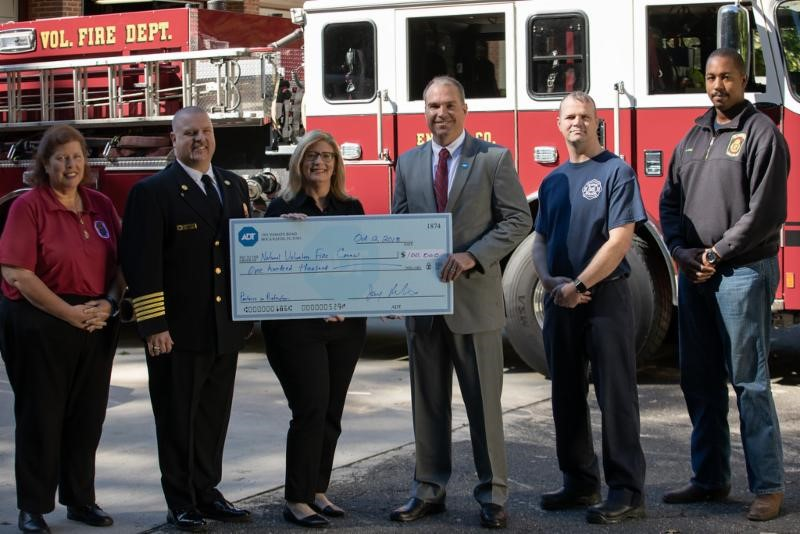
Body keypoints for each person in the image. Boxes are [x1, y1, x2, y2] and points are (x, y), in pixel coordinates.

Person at [389, 76, 531, 529]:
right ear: (424, 112)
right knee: (427, 405)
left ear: (465, 109)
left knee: (485, 408)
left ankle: (493, 495)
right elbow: (399, 228)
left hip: (475, 305)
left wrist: (474, 256)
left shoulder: (493, 159)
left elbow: (517, 220)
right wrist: (393, 285)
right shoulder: (408, 164)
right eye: (432, 106)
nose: (440, 114)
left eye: (449, 105)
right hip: (424, 308)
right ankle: (428, 489)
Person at [659, 48, 788, 522]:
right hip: (696, 276)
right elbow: (669, 201)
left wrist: (716, 254)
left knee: (749, 382)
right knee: (699, 380)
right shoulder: (692, 137)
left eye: (727, 77)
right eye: (711, 77)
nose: (717, 85)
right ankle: (709, 478)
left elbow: (765, 213)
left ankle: (769, 488)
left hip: (742, 274)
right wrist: (679, 250)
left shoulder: (762, 134)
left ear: (743, 78)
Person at [120, 107, 253, 532]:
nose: (200, 140)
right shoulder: (154, 191)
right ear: (173, 139)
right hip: (176, 332)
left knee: (213, 417)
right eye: (190, 133)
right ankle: (180, 500)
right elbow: (141, 264)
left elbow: (243, 253)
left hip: (223, 327)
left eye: (206, 132)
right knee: (177, 419)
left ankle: (207, 491)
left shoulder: (232, 185)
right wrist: (154, 325)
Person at [0, 124, 124, 533]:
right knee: (41, 416)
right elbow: (18, 274)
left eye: (76, 157)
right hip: (40, 319)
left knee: (88, 416)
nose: (70, 165)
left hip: (95, 319)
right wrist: (69, 315)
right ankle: (33, 507)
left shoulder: (101, 205)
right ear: (45, 164)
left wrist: (108, 303)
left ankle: (80, 499)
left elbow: (123, 264)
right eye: (61, 158)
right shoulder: (29, 206)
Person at [531, 91, 648, 525]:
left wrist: (579, 284)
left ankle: (626, 491)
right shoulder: (552, 180)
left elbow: (619, 241)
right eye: (570, 116)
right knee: (566, 393)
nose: (577, 122)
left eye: (585, 116)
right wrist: (548, 282)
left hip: (605, 299)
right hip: (561, 301)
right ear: (558, 124)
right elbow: (539, 240)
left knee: (615, 395)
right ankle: (579, 482)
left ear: (598, 122)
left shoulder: (617, 171)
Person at [260, 130, 367, 529]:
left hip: (344, 328)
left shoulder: (351, 207)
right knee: (309, 408)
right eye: (311, 156)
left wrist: (351, 301)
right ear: (299, 163)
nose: (319, 162)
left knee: (332, 411)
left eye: (327, 156)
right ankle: (296, 498)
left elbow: (361, 266)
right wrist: (283, 235)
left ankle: (318, 490)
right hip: (295, 329)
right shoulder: (280, 209)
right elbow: (267, 271)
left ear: (336, 164)